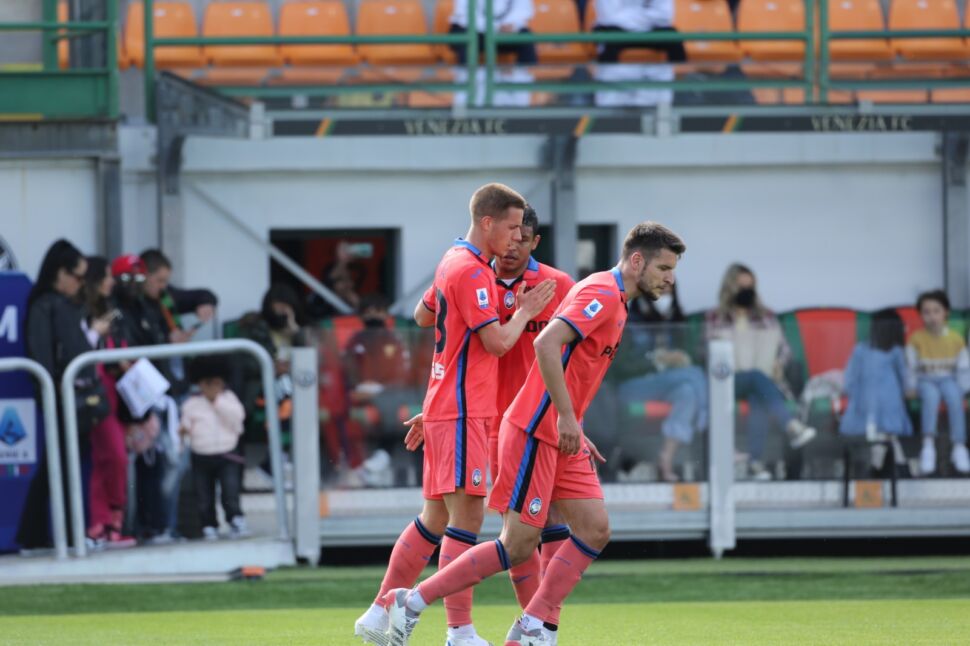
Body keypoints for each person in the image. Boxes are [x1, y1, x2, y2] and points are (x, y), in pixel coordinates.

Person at [380, 222, 685, 646]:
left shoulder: (610, 296)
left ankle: (534, 625)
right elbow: (546, 344)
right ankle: (411, 602)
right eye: (665, 268)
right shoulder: (600, 294)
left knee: (595, 529)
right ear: (637, 260)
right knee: (517, 545)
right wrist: (564, 416)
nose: (670, 278)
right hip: (535, 431)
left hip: (562, 435)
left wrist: (572, 421)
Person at [354, 183, 557, 646]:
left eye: (521, 231)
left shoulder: (453, 260)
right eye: (509, 227)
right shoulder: (471, 271)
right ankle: (458, 631)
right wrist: (524, 312)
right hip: (466, 411)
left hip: (447, 405)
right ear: (487, 223)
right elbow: (499, 343)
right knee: (466, 522)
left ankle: (378, 610)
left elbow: (425, 316)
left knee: (433, 521)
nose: (514, 237)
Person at [16, 240, 94, 552]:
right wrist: (54, 395)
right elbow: (43, 360)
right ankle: (37, 536)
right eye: (78, 276)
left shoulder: (65, 306)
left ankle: (49, 535)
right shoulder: (44, 306)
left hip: (71, 398)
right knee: (55, 467)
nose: (81, 284)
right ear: (60, 273)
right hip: (59, 399)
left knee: (61, 467)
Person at [706, 263, 816, 480]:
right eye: (741, 286)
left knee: (760, 396)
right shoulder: (716, 317)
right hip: (729, 382)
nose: (747, 291)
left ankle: (754, 463)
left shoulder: (766, 317)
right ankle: (792, 425)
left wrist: (778, 363)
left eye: (751, 286)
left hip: (761, 381)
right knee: (757, 378)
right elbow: (710, 351)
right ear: (730, 287)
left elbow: (784, 350)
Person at [612, 283, 707, 482]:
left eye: (669, 292)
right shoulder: (629, 319)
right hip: (633, 387)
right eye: (661, 291)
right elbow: (620, 367)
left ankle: (666, 459)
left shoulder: (678, 321)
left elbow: (692, 356)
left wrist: (679, 359)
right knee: (694, 375)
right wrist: (657, 360)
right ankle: (708, 430)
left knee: (688, 392)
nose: (666, 296)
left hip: (668, 384)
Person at [81, 256, 136, 549]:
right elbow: (78, 352)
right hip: (95, 396)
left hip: (119, 394)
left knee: (108, 461)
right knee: (113, 457)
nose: (112, 282)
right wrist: (95, 334)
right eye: (106, 277)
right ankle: (103, 523)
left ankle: (106, 525)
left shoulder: (113, 311)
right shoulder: (81, 311)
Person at [180, 355, 248, 540]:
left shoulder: (229, 399)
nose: (210, 386)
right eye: (206, 382)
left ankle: (235, 520)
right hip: (201, 455)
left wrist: (216, 401)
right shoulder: (192, 403)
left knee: (230, 491)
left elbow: (238, 419)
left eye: (215, 382)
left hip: (227, 453)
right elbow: (184, 427)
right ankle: (209, 525)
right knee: (204, 496)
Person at [905, 290, 970, 475]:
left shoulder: (956, 338)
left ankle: (959, 446)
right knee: (931, 398)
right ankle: (928, 445)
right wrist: (910, 387)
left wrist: (964, 387)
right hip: (926, 380)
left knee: (954, 397)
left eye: (936, 311)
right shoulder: (916, 339)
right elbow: (911, 366)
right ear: (921, 315)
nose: (932, 316)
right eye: (927, 312)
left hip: (948, 378)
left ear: (945, 312)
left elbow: (964, 366)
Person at [840, 309, 912, 473]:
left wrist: (851, 393)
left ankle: (879, 466)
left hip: (865, 402)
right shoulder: (895, 351)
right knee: (888, 434)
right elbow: (904, 377)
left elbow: (850, 377)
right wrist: (907, 392)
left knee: (880, 436)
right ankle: (897, 466)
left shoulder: (860, 349)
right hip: (889, 401)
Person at [593, 0, 686, 63]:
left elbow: (665, 16)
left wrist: (628, 16)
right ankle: (607, 87)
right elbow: (609, 17)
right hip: (615, 29)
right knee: (610, 38)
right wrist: (646, 16)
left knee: (672, 37)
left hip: (648, 29)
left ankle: (680, 87)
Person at [449, 0, 538, 65]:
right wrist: (496, 27)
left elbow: (524, 11)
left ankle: (525, 84)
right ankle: (467, 82)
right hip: (476, 32)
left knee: (526, 37)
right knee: (463, 38)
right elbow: (463, 15)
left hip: (505, 33)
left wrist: (512, 25)